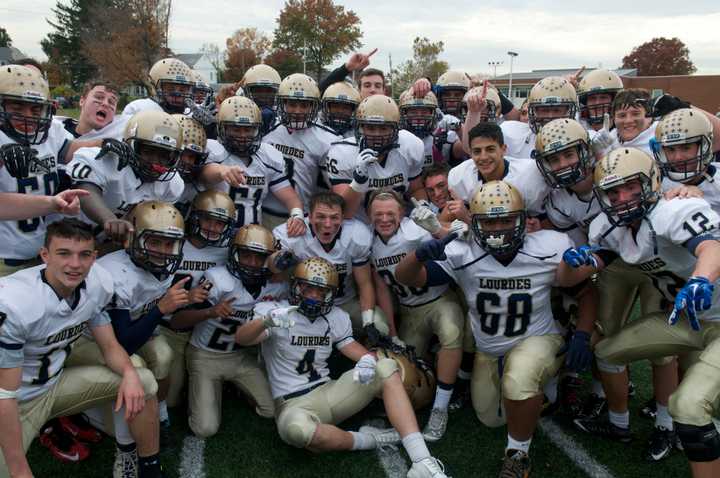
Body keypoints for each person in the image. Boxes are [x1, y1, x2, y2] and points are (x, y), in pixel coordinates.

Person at [395, 180, 591, 478]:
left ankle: (518, 457)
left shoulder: (550, 246)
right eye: (490, 221)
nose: (499, 228)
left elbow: (587, 291)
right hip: (490, 347)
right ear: (476, 223)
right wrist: (419, 255)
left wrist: (582, 334)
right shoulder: (463, 252)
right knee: (491, 418)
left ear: (524, 220)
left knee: (520, 379)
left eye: (506, 219)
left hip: (538, 337)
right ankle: (545, 392)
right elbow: (408, 278)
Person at [562, 147, 720, 477]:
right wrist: (578, 262)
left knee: (689, 406)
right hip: (689, 320)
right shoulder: (608, 226)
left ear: (651, 182)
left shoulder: (673, 210)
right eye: (612, 192)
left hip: (714, 314)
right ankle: (620, 425)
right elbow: (598, 257)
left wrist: (701, 279)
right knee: (606, 351)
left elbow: (711, 247)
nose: (622, 198)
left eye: (631, 187)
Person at [235, 257, 450, 478]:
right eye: (307, 288)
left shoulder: (335, 317)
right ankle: (371, 440)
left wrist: (368, 360)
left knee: (385, 366)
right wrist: (266, 321)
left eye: (321, 291)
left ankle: (422, 460)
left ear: (331, 294)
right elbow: (242, 339)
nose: (313, 296)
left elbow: (351, 347)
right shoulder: (273, 311)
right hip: (293, 404)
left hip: (330, 393)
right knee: (298, 432)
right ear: (295, 286)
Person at [0, 218, 163, 478]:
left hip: (55, 381)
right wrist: (20, 468)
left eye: (84, 255)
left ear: (94, 257)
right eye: (64, 254)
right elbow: (4, 395)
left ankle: (140, 462)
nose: (75, 264)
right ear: (45, 255)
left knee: (141, 378)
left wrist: (130, 375)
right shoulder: (14, 302)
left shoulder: (97, 283)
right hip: (19, 400)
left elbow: (109, 345)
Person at [368, 190, 464, 442]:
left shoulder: (414, 229)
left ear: (401, 214)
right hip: (409, 310)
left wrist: (438, 227)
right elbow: (381, 289)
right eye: (378, 214)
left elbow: (454, 233)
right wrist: (392, 331)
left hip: (440, 300)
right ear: (369, 216)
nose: (385, 219)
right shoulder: (370, 244)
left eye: (391, 213)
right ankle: (446, 382)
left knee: (451, 332)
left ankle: (440, 408)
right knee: (408, 375)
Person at [172, 225, 280, 437]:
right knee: (204, 429)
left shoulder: (274, 285)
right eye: (246, 255)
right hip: (205, 356)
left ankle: (236, 389)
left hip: (239, 357)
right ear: (233, 254)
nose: (252, 263)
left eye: (259, 257)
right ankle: (207, 388)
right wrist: (210, 312)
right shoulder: (217, 279)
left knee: (272, 410)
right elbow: (177, 321)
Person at [159, 190, 235, 410]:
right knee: (171, 399)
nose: (212, 227)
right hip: (169, 328)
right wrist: (187, 298)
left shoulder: (225, 251)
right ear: (194, 217)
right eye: (207, 219)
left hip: (204, 328)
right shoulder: (171, 242)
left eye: (220, 223)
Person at [273, 192, 389, 337]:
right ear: (309, 215)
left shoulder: (356, 235)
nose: (327, 224)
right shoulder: (291, 235)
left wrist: (368, 322)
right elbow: (272, 274)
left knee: (379, 327)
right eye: (321, 216)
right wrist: (279, 261)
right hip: (302, 304)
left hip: (343, 303)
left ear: (342, 218)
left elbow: (365, 284)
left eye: (334, 217)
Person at [68, 110, 186, 243]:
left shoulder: (172, 184)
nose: (156, 161)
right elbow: (85, 192)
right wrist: (108, 219)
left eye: (165, 156)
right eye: (148, 151)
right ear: (129, 145)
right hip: (70, 235)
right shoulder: (106, 159)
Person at [0, 65, 71, 277]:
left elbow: (71, 150)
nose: (28, 117)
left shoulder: (50, 132)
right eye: (17, 108)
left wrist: (105, 142)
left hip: (40, 255)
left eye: (35, 109)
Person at [200, 95, 306, 235]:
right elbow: (204, 174)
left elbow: (290, 197)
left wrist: (297, 215)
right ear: (222, 128)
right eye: (236, 129)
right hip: (213, 234)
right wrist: (221, 171)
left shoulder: (268, 156)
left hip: (251, 239)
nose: (243, 135)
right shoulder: (212, 150)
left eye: (248, 129)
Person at [327, 94, 426, 223]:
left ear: (396, 129)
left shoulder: (410, 145)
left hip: (396, 222)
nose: (377, 135)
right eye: (371, 128)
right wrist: (358, 181)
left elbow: (416, 189)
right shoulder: (342, 152)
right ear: (360, 128)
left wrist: (423, 206)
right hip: (358, 224)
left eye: (383, 128)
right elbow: (343, 212)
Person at [262, 73, 340, 231]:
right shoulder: (266, 127)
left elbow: (334, 188)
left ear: (313, 106)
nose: (297, 111)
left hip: (302, 216)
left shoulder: (327, 139)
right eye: (292, 104)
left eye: (304, 105)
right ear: (283, 103)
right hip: (265, 212)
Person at [123, 58, 195, 116]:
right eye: (170, 89)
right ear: (154, 87)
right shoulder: (138, 108)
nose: (177, 94)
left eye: (182, 90)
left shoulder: (191, 114)